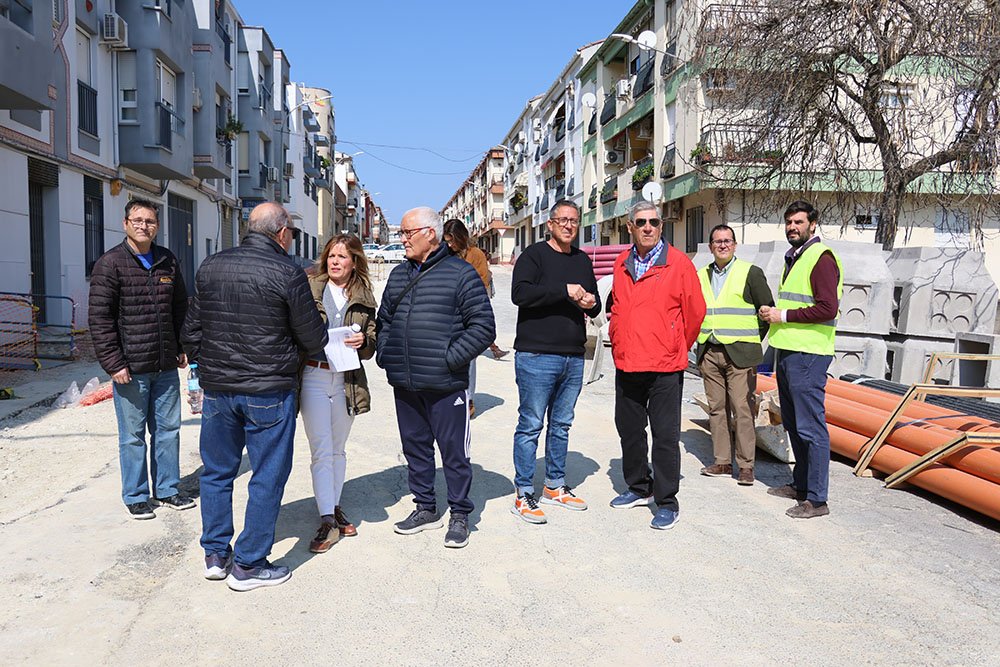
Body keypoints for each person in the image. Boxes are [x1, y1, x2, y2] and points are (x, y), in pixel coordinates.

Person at [182, 202, 327, 590]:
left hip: (219, 391)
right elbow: (314, 338)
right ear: (281, 232)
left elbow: (190, 330)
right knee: (267, 476)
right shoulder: (287, 272)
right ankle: (249, 563)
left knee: (217, 472)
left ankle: (215, 554)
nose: (291, 239)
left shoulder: (211, 265)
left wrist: (208, 366)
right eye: (292, 233)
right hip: (268, 390)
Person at [376, 207, 495, 549]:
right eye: (400, 233)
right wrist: (387, 355)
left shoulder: (461, 274)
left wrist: (449, 360)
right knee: (415, 448)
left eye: (406, 233)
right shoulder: (399, 275)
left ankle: (460, 514)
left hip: (446, 385)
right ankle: (425, 507)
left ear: (430, 233)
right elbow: (384, 320)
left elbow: (483, 327)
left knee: (453, 453)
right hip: (406, 382)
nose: (402, 240)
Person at [89, 198, 193, 520]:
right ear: (125, 224)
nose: (143, 226)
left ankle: (167, 489)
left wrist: (183, 344)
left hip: (164, 366)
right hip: (130, 370)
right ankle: (135, 495)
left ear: (157, 226)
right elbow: (100, 318)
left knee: (167, 431)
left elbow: (180, 307)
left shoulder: (167, 261)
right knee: (133, 437)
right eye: (137, 220)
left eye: (149, 221)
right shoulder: (111, 264)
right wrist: (114, 363)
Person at [607, 201, 705, 530]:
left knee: (665, 436)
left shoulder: (678, 264)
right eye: (641, 222)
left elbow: (695, 312)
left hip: (665, 366)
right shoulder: (622, 262)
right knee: (629, 431)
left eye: (654, 222)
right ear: (630, 227)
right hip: (628, 363)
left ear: (661, 227)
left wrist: (675, 343)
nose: (648, 227)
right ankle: (639, 486)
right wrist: (619, 339)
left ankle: (666, 500)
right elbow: (618, 309)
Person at [510, 200, 600, 524]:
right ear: (550, 224)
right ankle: (523, 492)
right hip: (536, 355)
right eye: (562, 220)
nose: (568, 225)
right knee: (531, 424)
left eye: (573, 221)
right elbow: (520, 294)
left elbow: (594, 303)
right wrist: (565, 290)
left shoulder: (582, 260)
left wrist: (590, 302)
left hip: (573, 356)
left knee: (561, 425)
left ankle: (555, 486)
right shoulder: (533, 256)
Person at [759, 200, 842, 519]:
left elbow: (827, 307)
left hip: (809, 354)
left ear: (813, 224)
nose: (792, 227)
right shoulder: (796, 257)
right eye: (789, 222)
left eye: (798, 222)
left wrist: (782, 314)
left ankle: (817, 499)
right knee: (793, 424)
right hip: (790, 351)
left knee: (811, 427)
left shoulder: (820, 258)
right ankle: (801, 485)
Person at [300, 234, 377, 553]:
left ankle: (334, 505)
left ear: (354, 261)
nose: (334, 261)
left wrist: (364, 344)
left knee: (339, 448)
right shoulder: (309, 287)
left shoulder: (364, 295)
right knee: (321, 449)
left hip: (346, 379)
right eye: (331, 255)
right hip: (314, 375)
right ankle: (327, 518)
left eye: (342, 257)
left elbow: (373, 341)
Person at [696, 224, 774, 486]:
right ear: (710, 246)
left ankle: (746, 466)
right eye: (717, 241)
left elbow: (767, 312)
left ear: (735, 244)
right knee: (717, 409)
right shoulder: (700, 275)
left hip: (741, 353)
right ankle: (721, 461)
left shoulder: (750, 273)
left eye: (727, 241)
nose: (722, 245)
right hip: (710, 350)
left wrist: (751, 340)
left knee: (742, 409)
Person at [442, 219, 506, 418]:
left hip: (468, 312)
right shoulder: (445, 253)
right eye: (447, 241)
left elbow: (482, 280)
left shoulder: (475, 254)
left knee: (468, 358)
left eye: (453, 240)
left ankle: (468, 400)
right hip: (446, 313)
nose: (450, 245)